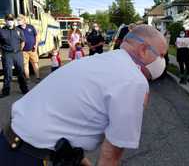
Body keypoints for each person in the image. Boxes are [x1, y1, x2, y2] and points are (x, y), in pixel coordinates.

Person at [0, 24, 167, 166]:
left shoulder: (97, 61)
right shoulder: (133, 80)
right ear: (144, 50)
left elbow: (73, 122)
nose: (162, 61)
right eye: (161, 55)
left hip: (11, 144)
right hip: (33, 158)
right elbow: (111, 154)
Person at [0, 14, 28, 97]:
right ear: (5, 21)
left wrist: (20, 50)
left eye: (11, 19)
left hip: (17, 54)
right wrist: (2, 53)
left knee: (20, 72)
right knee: (7, 73)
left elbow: (23, 41)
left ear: (14, 20)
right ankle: (6, 91)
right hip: (7, 54)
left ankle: (24, 89)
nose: (10, 21)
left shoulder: (18, 30)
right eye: (8, 19)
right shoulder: (1, 31)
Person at [17, 14, 40, 82]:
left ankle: (38, 78)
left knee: (35, 63)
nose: (18, 21)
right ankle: (27, 78)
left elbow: (36, 36)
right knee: (25, 65)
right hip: (23, 51)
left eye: (19, 20)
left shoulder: (31, 27)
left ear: (24, 20)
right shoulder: (17, 28)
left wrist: (36, 45)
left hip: (32, 49)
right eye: (18, 20)